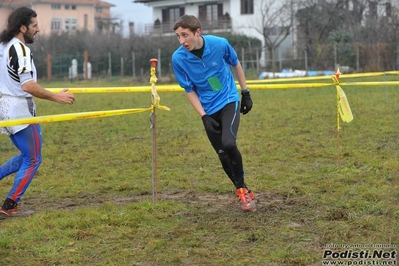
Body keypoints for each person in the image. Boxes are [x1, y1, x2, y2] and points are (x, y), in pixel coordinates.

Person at [171, 15, 256, 212]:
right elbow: (189, 89)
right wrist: (203, 116)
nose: (182, 41)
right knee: (222, 155)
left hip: (228, 100)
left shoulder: (220, 44)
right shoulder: (178, 58)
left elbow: (235, 63)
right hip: (207, 109)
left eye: (185, 35)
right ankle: (243, 191)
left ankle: (242, 191)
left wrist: (245, 92)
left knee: (228, 143)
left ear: (197, 32)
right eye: (178, 36)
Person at [0, 7, 75, 217]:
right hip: (20, 111)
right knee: (33, 159)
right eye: (34, 25)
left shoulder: (3, 46)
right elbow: (28, 85)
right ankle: (9, 205)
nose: (38, 29)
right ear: (22, 27)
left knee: (26, 155)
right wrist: (56, 96)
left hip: (7, 108)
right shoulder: (20, 49)